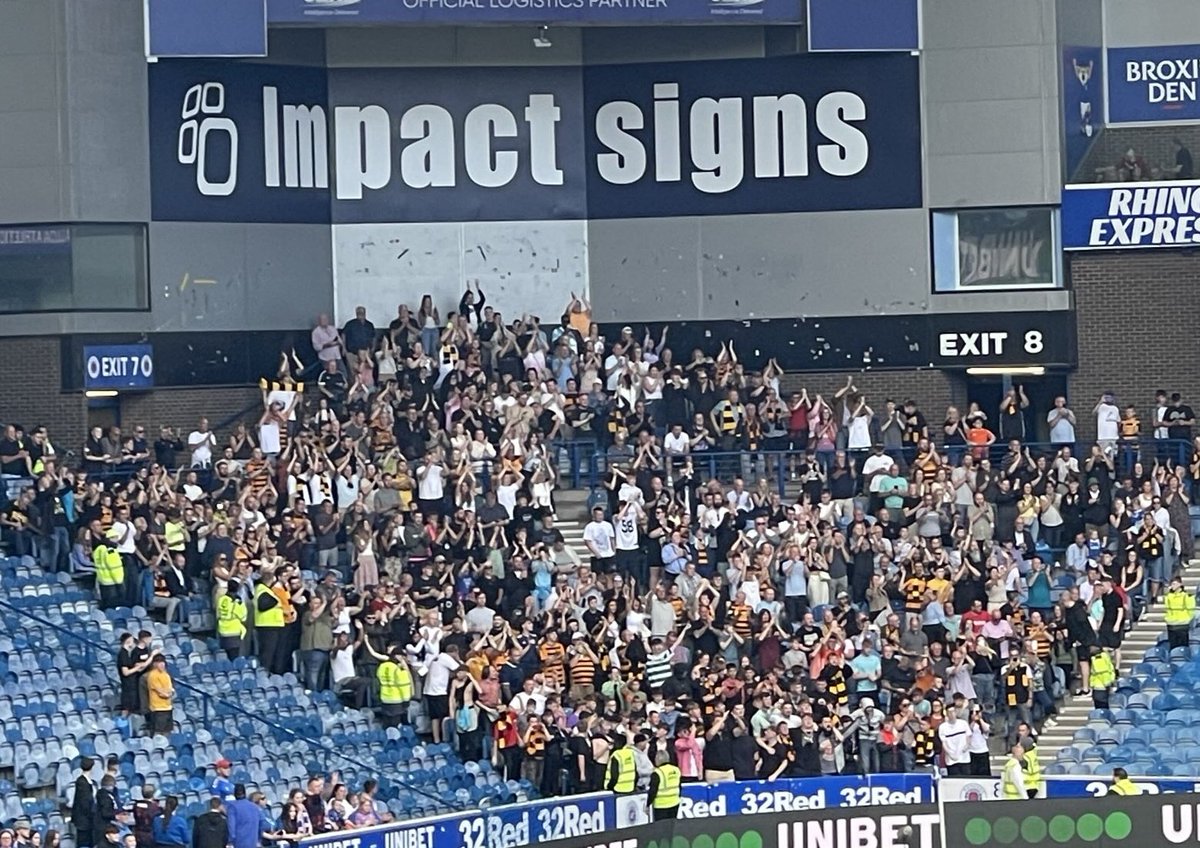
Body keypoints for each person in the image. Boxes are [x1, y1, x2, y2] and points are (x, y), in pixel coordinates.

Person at [646, 750, 681, 821]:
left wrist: (648, 804)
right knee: (672, 826)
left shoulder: (657, 773)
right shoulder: (676, 770)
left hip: (661, 805)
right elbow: (679, 786)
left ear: (658, 759)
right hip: (675, 803)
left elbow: (653, 791)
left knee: (661, 828)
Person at [145, 654, 175, 736]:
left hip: (168, 707)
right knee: (158, 732)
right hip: (158, 708)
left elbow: (171, 689)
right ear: (154, 664)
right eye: (159, 662)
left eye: (163, 662)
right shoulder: (153, 675)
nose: (162, 664)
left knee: (167, 731)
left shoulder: (166, 674)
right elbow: (161, 693)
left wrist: (170, 693)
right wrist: (168, 694)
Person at [71, 757, 96, 848]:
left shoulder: (84, 781)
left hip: (86, 820)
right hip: (84, 821)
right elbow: (85, 803)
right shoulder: (82, 782)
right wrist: (92, 815)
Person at [1165, 575, 1195, 651]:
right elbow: (1167, 608)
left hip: (1182, 624)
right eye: (1171, 584)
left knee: (1183, 646)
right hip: (1171, 624)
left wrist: (1186, 619)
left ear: (1180, 584)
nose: (1172, 586)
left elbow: (1191, 610)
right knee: (1173, 647)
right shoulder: (1169, 596)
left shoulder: (1186, 596)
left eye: (1174, 584)